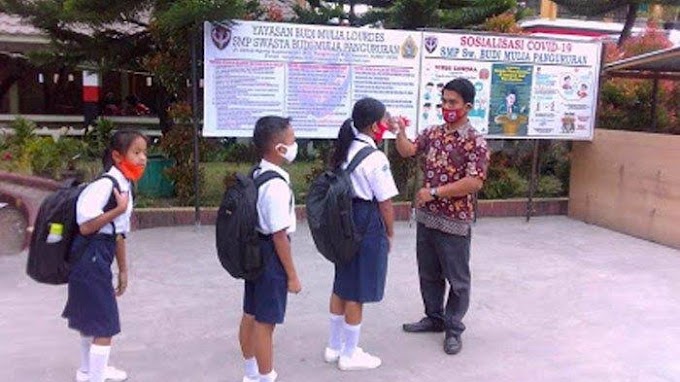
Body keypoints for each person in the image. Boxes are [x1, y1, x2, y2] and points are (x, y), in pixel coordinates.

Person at [392, 78, 489, 355]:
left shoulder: (475, 141)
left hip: (455, 222)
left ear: (467, 106)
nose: (446, 107)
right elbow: (408, 150)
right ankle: (433, 318)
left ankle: (453, 328)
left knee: (457, 280)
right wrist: (399, 132)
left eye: (452, 102)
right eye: (444, 101)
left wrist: (434, 192)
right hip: (427, 219)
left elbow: (475, 182)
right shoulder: (433, 133)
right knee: (429, 273)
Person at [62, 129, 148, 382]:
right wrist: (118, 209)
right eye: (136, 152)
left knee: (93, 317)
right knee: (104, 323)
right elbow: (86, 226)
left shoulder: (123, 185)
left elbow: (119, 233)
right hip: (90, 256)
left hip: (100, 255)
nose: (143, 158)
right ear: (117, 156)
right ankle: (95, 376)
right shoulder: (105, 186)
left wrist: (123, 270)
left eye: (144, 152)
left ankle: (89, 370)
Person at [324, 98, 398, 371]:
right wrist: (389, 232)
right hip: (365, 222)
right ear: (373, 125)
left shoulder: (345, 149)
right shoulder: (375, 157)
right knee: (358, 289)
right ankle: (349, 354)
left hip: (344, 221)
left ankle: (334, 346)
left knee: (342, 283)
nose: (386, 124)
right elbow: (385, 203)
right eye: (384, 119)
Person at [239, 116, 302, 382]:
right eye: (292, 140)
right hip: (270, 257)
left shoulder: (257, 173)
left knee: (250, 314)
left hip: (253, 252)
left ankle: (251, 373)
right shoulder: (276, 185)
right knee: (265, 323)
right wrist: (292, 275)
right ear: (279, 148)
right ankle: (265, 377)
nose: (295, 144)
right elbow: (279, 236)